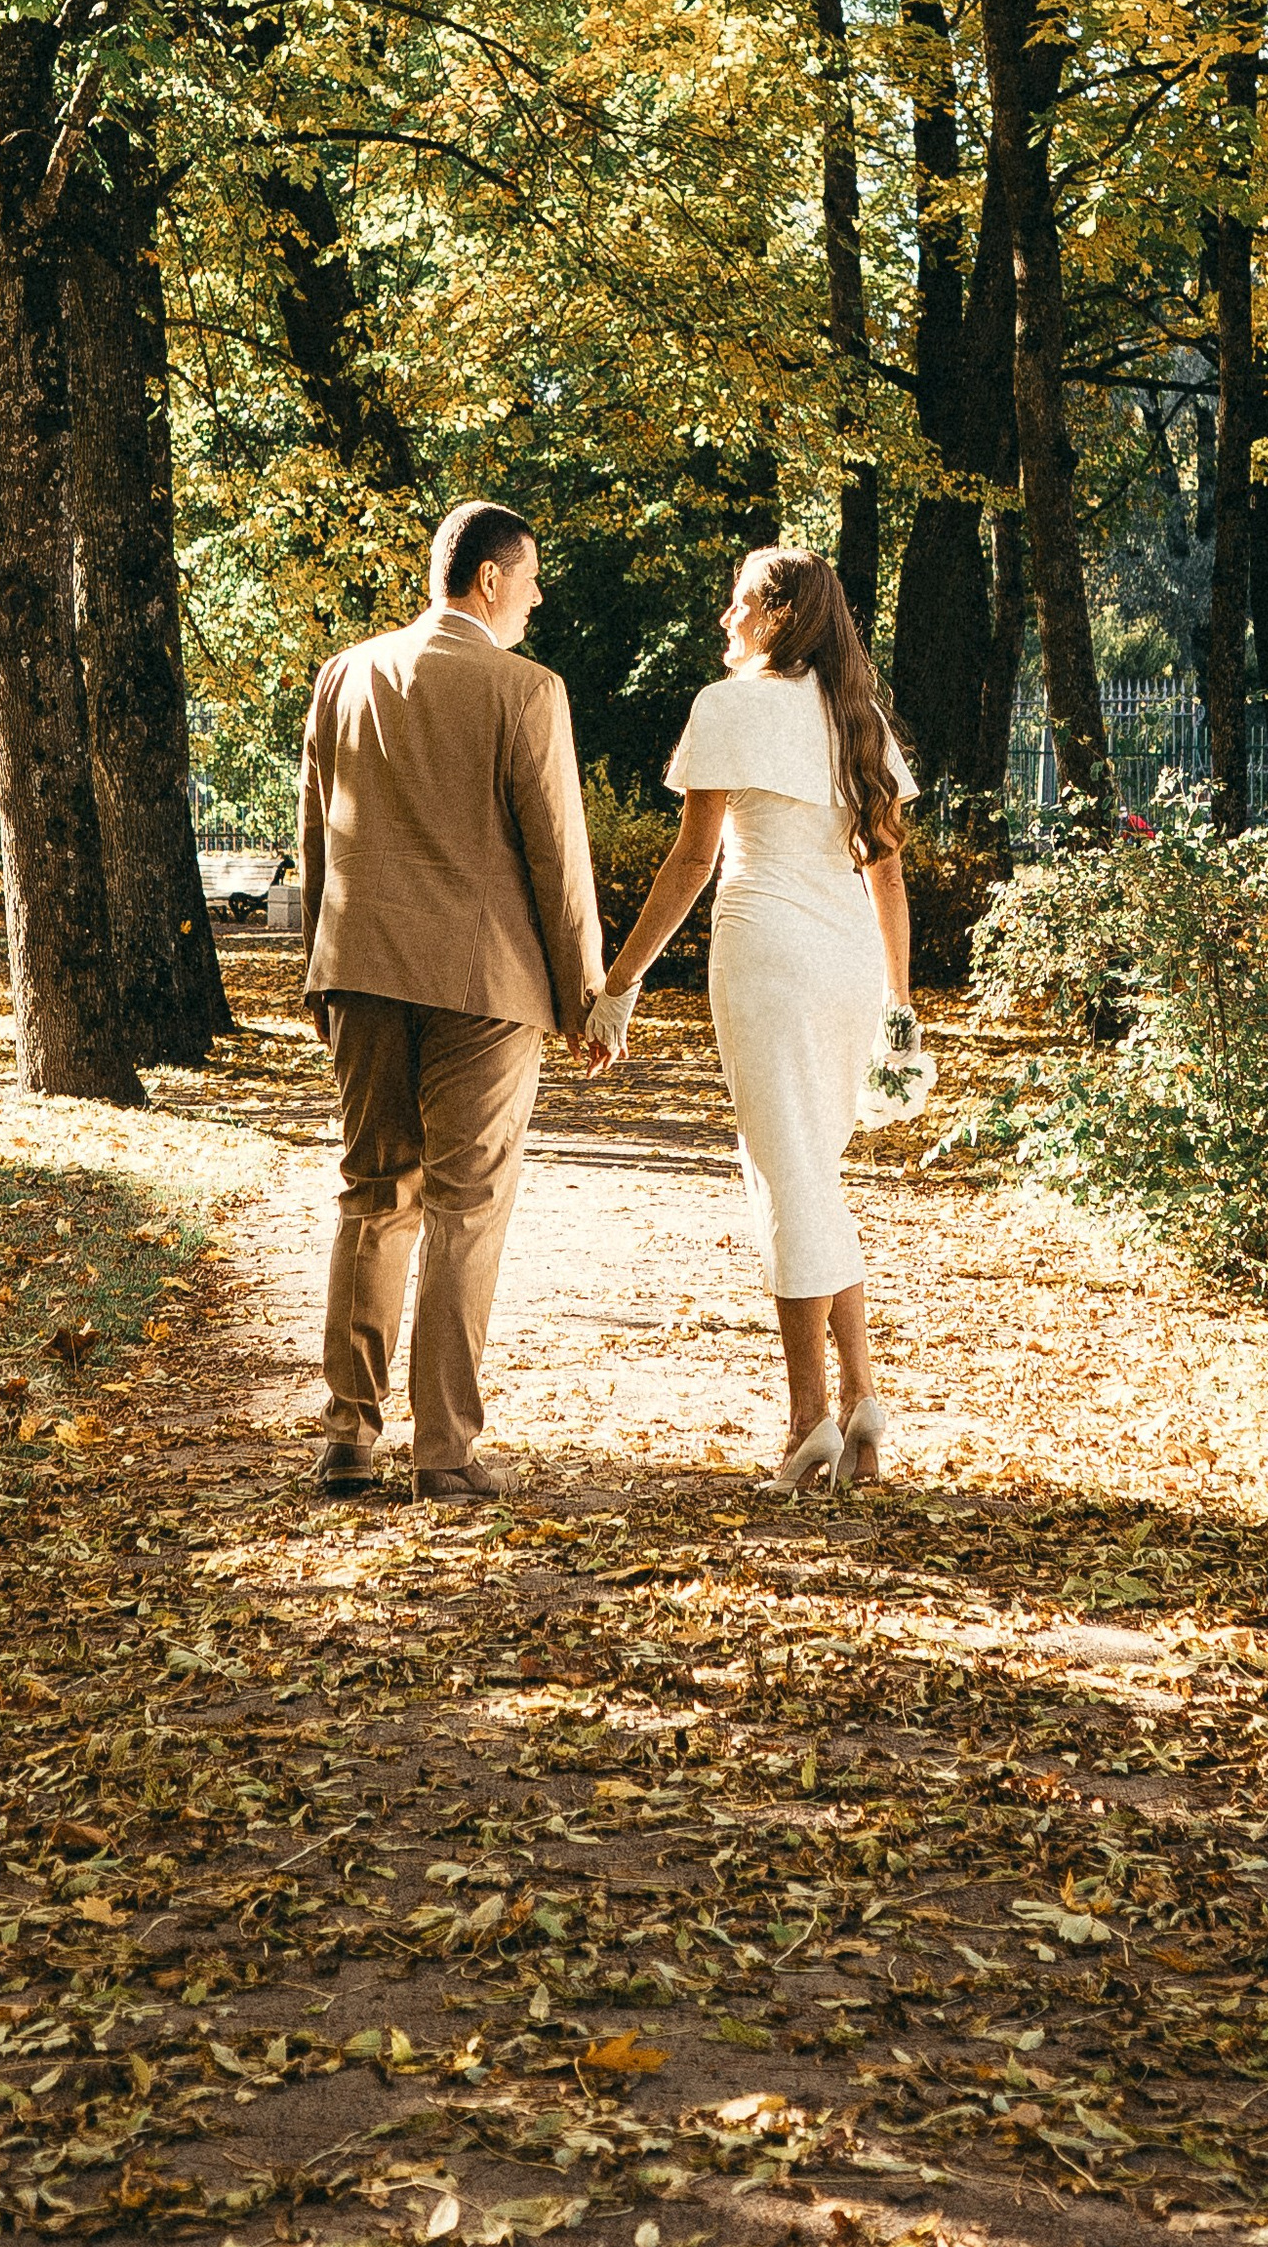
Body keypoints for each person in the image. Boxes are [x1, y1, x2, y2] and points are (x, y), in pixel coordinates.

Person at [585, 547, 917, 1491]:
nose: (724, 620)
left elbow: (692, 863)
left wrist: (618, 985)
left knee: (787, 1180)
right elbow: (885, 875)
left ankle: (807, 1418)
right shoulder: (859, 719)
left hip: (767, 952)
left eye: (738, 605)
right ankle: (860, 1401)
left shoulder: (726, 707)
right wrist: (899, 1007)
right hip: (850, 961)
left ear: (777, 618)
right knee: (815, 1174)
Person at [299, 499, 605, 1503]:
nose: (538, 596)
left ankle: (347, 1436)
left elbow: (316, 833)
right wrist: (584, 998)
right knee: (466, 1209)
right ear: (487, 581)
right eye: (530, 578)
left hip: (362, 968)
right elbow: (557, 857)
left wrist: (320, 967)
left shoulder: (345, 674)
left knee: (372, 1195)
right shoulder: (526, 689)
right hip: (485, 984)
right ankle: (441, 1454)